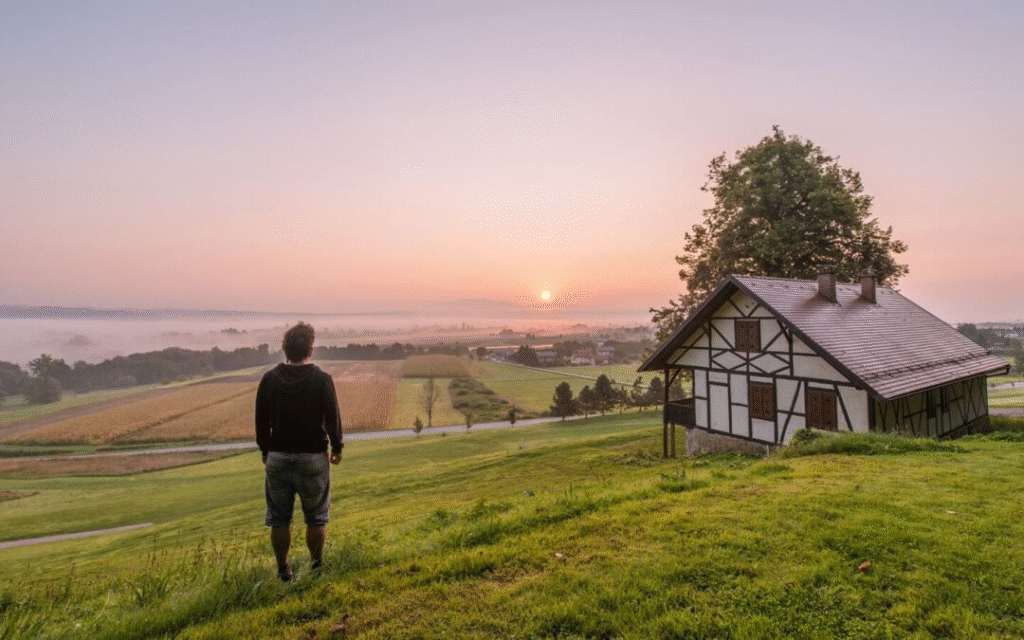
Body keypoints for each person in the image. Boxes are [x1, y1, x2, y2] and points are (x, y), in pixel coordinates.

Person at [255, 322, 343, 582]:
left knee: (279, 519)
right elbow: (332, 418)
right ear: (311, 349)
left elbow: (261, 421)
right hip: (313, 457)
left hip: (278, 457)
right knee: (316, 518)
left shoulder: (269, 379)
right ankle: (316, 567)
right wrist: (337, 447)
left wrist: (265, 450)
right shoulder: (322, 379)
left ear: (285, 348)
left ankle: (284, 571)